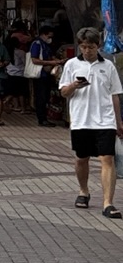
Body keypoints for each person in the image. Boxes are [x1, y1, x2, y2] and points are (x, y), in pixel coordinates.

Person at [58, 26, 122, 215]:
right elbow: (64, 92)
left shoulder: (108, 66)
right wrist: (74, 86)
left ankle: (108, 203)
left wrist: (118, 121)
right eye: (84, 47)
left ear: (98, 46)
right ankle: (83, 191)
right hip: (81, 120)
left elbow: (115, 95)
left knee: (107, 158)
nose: (87, 51)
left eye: (91, 47)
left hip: (105, 120)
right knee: (81, 158)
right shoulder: (71, 65)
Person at [30, 23, 59, 125]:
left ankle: (45, 117)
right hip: (39, 74)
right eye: (49, 36)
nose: (50, 39)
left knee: (46, 96)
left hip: (46, 74)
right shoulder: (37, 44)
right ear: (43, 34)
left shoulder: (46, 45)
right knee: (41, 96)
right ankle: (42, 119)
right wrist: (51, 62)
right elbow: (34, 60)